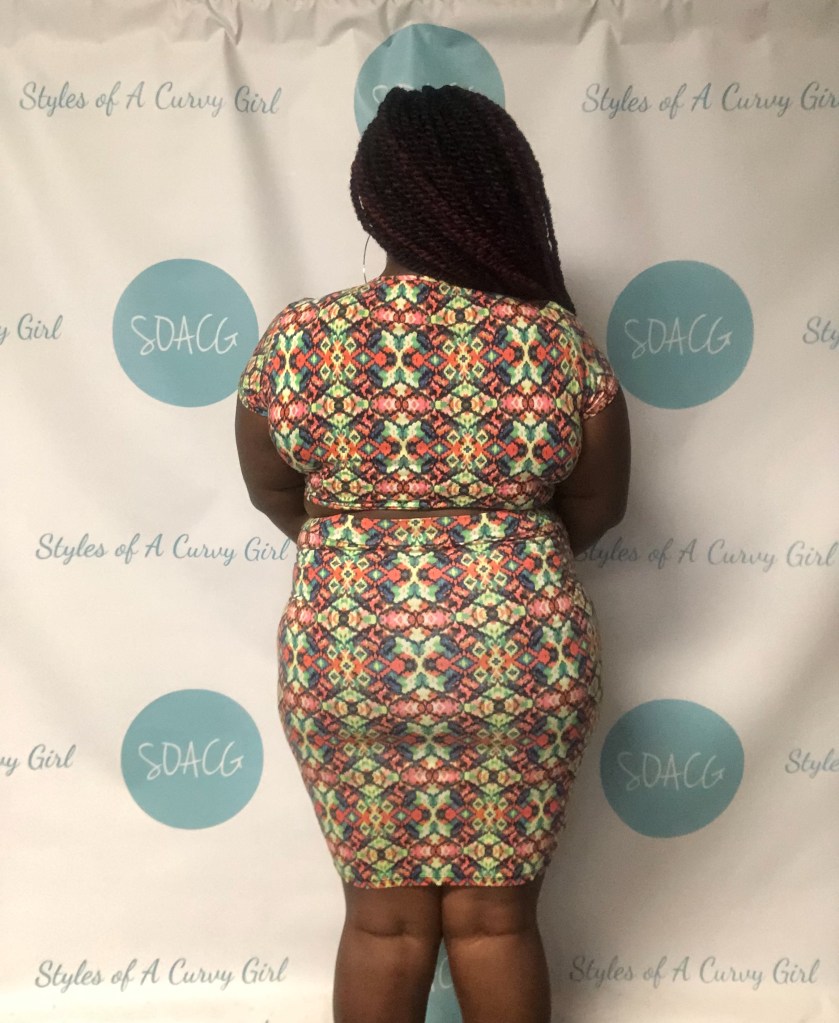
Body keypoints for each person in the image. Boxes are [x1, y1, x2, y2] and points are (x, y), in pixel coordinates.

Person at [235, 85, 630, 1023]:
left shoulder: (300, 339)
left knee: (381, 924)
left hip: (350, 650)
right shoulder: (550, 340)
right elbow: (598, 504)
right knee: (497, 922)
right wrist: (500, 556)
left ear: (373, 201)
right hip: (518, 649)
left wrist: (364, 552)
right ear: (498, 193)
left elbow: (271, 488)